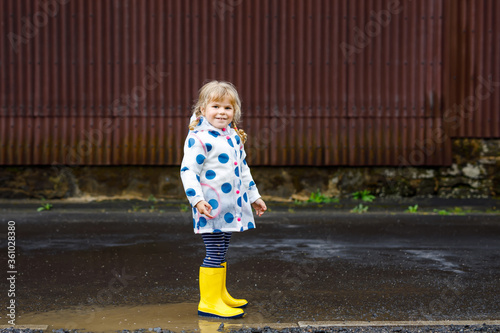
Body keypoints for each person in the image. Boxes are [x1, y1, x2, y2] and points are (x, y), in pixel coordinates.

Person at [180, 80, 267, 319]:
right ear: (202, 110)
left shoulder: (233, 136)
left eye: (227, 108)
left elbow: (243, 169)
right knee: (214, 252)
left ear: (234, 111)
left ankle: (220, 294)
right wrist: (197, 201)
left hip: (231, 206)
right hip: (210, 207)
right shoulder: (198, 138)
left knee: (222, 249)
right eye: (215, 106)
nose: (221, 112)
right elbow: (188, 171)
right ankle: (208, 303)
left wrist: (254, 197)